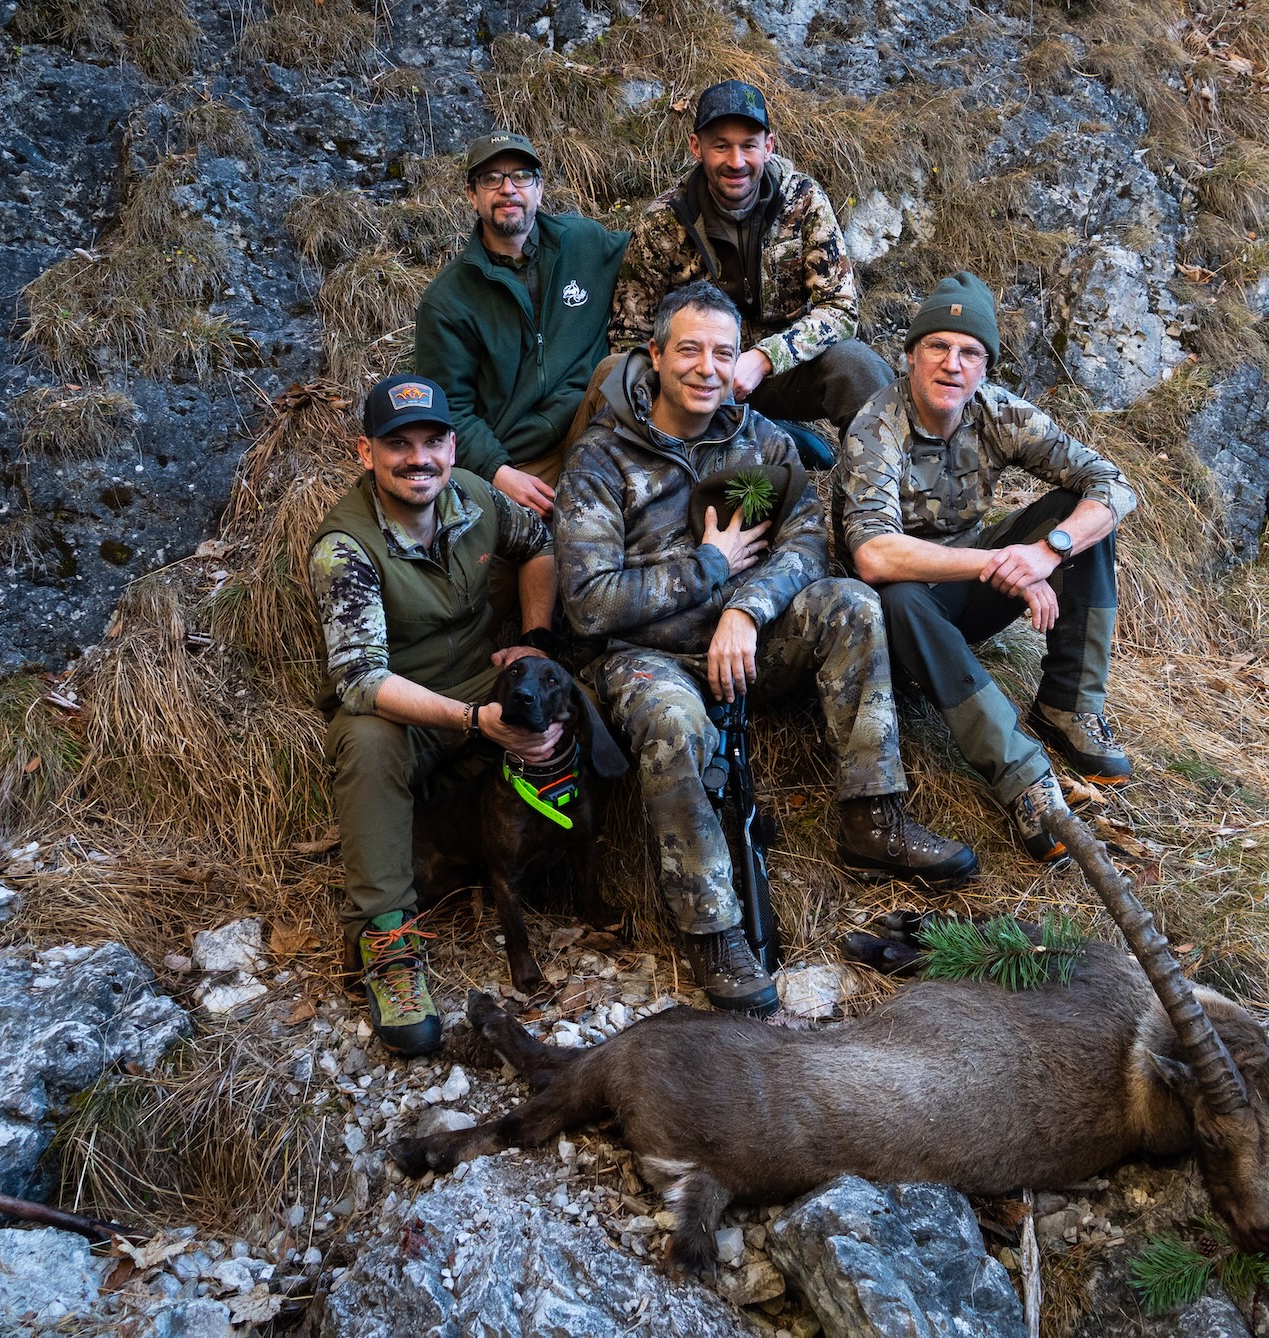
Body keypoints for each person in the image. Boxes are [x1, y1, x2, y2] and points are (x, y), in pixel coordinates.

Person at [555, 281, 975, 1015]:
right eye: (688, 350)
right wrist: (709, 567)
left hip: (747, 645)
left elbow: (811, 541)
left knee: (850, 603)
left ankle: (872, 817)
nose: (707, 368)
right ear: (655, 356)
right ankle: (713, 931)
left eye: (723, 352)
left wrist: (746, 610)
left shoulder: (762, 437)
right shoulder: (600, 460)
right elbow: (589, 604)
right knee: (674, 721)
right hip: (646, 658)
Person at [837, 273, 1139, 864]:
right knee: (898, 596)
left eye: (969, 352)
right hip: (899, 617)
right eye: (938, 347)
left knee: (1074, 517)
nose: (953, 364)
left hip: (968, 592)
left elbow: (1113, 484)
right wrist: (1001, 564)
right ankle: (1025, 780)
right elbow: (873, 555)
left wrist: (1046, 550)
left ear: (985, 367)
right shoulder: (876, 427)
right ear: (910, 357)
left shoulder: (998, 413)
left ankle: (1069, 704)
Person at [310, 374, 564, 1056]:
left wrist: (535, 640)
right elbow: (361, 680)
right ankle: (389, 942)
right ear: (366, 452)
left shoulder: (477, 497)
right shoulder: (345, 548)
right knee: (365, 745)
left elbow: (538, 542)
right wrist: (476, 720)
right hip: (406, 707)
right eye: (398, 444)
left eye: (431, 441)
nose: (417, 458)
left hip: (480, 678)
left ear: (453, 447)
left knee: (577, 694)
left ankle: (576, 863)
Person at [606, 81, 887, 470]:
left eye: (749, 145)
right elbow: (628, 332)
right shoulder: (664, 219)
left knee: (858, 367)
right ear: (696, 147)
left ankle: (879, 502)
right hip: (693, 379)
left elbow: (839, 308)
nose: (736, 161)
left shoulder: (803, 201)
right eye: (721, 145)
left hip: (779, 373)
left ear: (768, 146)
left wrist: (763, 358)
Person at [414, 130, 631, 518]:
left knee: (622, 369)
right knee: (531, 559)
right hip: (519, 461)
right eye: (492, 178)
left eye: (521, 176)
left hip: (595, 426)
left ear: (539, 188)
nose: (508, 189)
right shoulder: (447, 301)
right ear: (472, 195)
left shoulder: (584, 242)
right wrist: (499, 473)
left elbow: (659, 251)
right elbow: (449, 411)